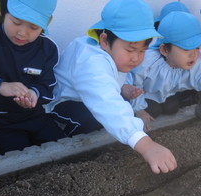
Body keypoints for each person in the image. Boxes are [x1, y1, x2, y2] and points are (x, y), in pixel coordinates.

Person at [46, 0, 177, 174]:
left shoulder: (112, 53)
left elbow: (111, 80)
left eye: (142, 50)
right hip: (63, 103)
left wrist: (123, 88)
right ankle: (68, 150)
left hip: (88, 96)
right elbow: (105, 100)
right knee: (92, 120)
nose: (136, 58)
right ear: (105, 40)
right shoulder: (91, 61)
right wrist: (146, 145)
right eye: (130, 50)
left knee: (115, 112)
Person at [0, 0, 66, 155]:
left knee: (61, 149)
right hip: (1, 122)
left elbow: (48, 84)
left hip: (38, 117)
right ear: (3, 11)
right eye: (16, 22)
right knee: (15, 157)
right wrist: (0, 86)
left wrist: (34, 94)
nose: (22, 33)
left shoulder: (47, 48)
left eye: (34, 27)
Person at [146, 1, 198, 118]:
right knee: (154, 110)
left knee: (171, 107)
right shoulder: (152, 47)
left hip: (167, 90)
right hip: (147, 92)